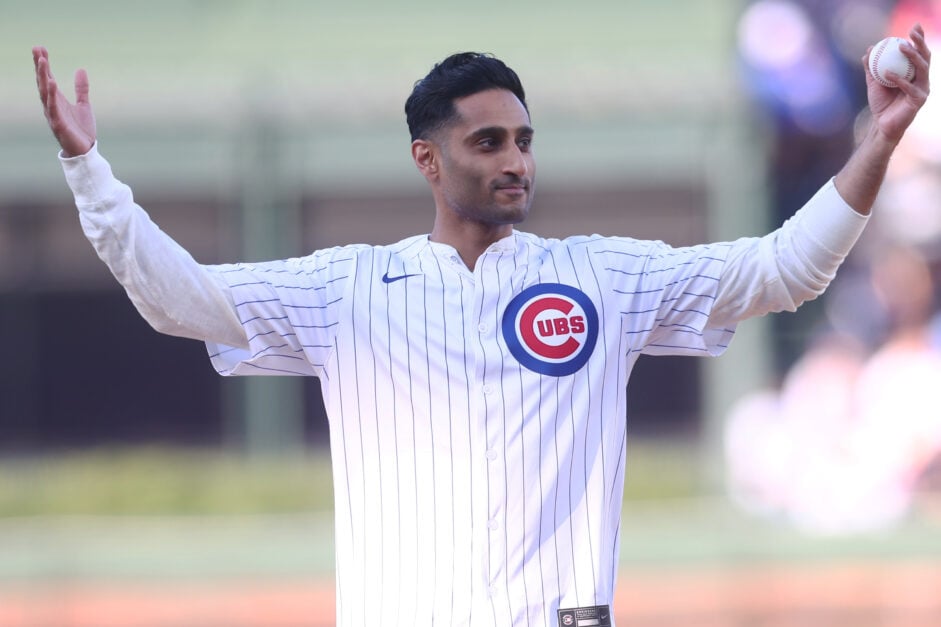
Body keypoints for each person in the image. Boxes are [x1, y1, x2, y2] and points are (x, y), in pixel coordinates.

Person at [32, 24, 931, 626]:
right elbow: (178, 297)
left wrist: (879, 141)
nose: (515, 161)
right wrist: (89, 172)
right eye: (487, 142)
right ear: (427, 159)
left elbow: (783, 269)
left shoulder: (599, 276)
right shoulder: (348, 288)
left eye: (524, 140)